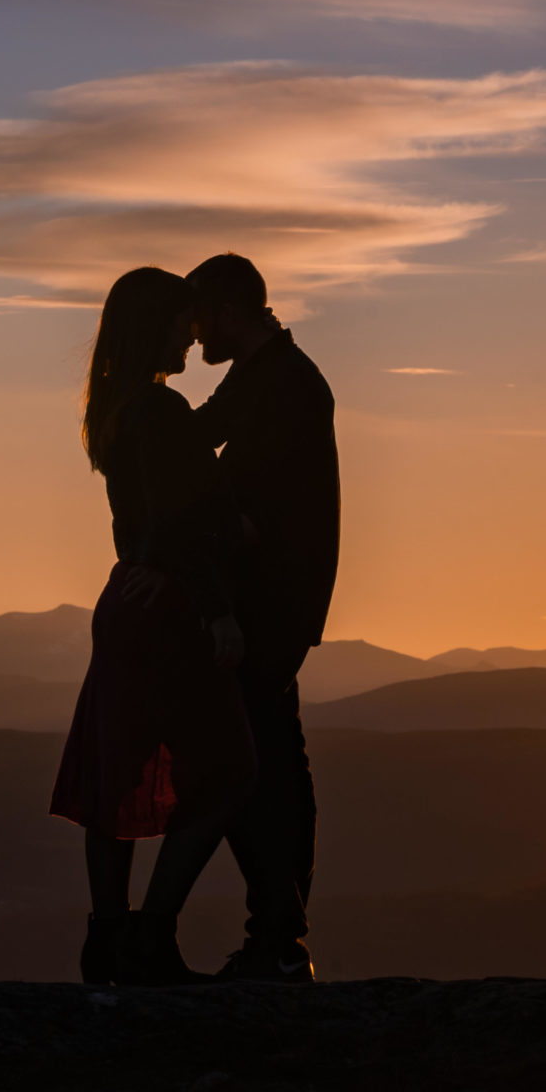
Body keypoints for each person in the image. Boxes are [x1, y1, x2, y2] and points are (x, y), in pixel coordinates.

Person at [48, 267, 255, 986]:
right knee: (229, 772)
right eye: (180, 321)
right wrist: (218, 607)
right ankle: (151, 936)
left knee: (119, 771)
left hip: (126, 603)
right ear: (154, 326)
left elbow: (143, 519)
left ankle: (107, 939)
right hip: (170, 611)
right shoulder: (163, 414)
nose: (191, 333)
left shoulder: (115, 412)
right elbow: (188, 519)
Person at [184, 253, 338, 983]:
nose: (192, 332)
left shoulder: (283, 384)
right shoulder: (268, 376)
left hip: (266, 611)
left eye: (198, 315)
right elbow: (203, 435)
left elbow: (252, 501)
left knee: (251, 767)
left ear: (230, 312)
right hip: (278, 610)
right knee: (275, 764)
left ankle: (276, 938)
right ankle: (279, 936)